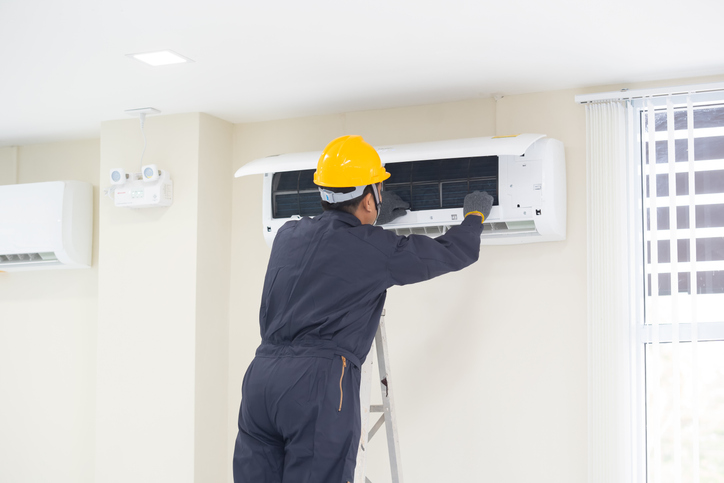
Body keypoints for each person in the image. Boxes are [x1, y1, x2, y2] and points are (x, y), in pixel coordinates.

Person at [233, 135, 493, 483]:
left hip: (261, 380)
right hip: (316, 383)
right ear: (370, 198)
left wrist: (369, 217)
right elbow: (451, 252)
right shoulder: (377, 248)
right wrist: (474, 215)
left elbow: (332, 242)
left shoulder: (288, 235)